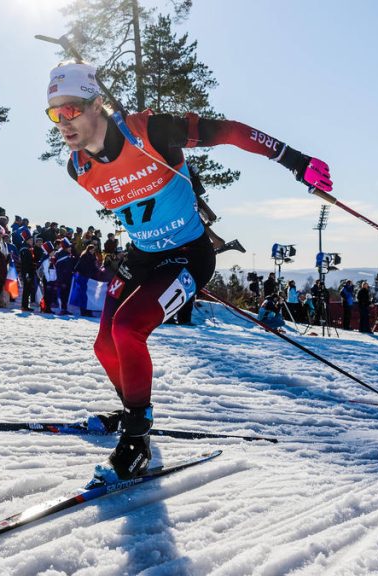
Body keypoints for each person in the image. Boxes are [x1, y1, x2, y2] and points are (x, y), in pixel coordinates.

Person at [46, 60, 333, 481]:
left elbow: (231, 132)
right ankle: (132, 412)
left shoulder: (151, 131)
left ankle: (138, 439)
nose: (62, 123)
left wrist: (294, 159)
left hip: (187, 257)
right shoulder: (78, 169)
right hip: (142, 258)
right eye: (54, 114)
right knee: (105, 347)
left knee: (128, 328)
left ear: (97, 104)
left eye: (70, 110)